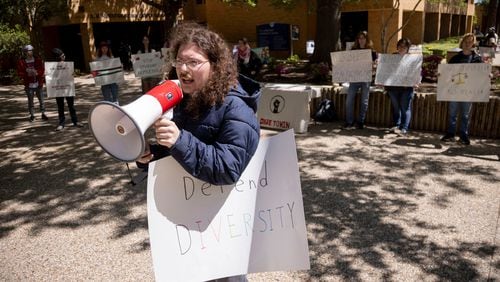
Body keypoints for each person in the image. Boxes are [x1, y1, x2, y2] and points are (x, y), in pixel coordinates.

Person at [137, 23, 261, 281]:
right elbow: (183, 152)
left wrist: (179, 140)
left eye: (193, 62)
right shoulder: (184, 99)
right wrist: (152, 155)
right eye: (180, 60)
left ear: (215, 65)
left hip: (222, 227)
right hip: (189, 223)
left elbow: (228, 168)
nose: (183, 69)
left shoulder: (237, 108)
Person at [441, 33, 483, 145]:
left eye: (470, 42)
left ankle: (464, 136)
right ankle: (450, 134)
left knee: (465, 115)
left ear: (473, 44)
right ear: (462, 42)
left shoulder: (477, 59)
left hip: (468, 92)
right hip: (455, 91)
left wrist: (489, 76)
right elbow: (448, 74)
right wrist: (441, 75)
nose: (468, 44)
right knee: (452, 113)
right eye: (466, 41)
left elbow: (482, 75)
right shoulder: (455, 58)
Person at [343, 30, 378, 129]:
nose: (361, 40)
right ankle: (349, 122)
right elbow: (348, 64)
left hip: (366, 79)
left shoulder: (372, 52)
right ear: (357, 40)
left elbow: (374, 66)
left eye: (363, 38)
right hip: (354, 78)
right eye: (360, 38)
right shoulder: (353, 50)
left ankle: (360, 122)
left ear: (367, 40)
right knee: (349, 100)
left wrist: (374, 66)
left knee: (364, 101)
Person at [385, 38, 418, 135]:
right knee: (396, 107)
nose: (401, 48)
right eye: (400, 46)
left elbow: (418, 73)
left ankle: (404, 128)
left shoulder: (413, 59)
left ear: (408, 48)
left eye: (404, 46)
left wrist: (416, 80)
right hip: (392, 88)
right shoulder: (392, 57)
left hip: (406, 88)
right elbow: (386, 71)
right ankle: (397, 125)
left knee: (405, 108)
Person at [51, 48, 83, 131]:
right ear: (58, 58)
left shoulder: (68, 65)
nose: (64, 57)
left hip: (68, 88)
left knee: (71, 106)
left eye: (64, 55)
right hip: (58, 89)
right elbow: (51, 78)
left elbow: (71, 75)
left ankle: (75, 121)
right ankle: (61, 123)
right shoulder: (52, 67)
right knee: (60, 106)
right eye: (62, 56)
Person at [17, 44, 48, 122]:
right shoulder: (22, 62)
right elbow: (20, 72)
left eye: (31, 51)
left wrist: (38, 73)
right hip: (29, 85)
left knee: (41, 100)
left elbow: (42, 69)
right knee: (30, 101)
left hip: (38, 83)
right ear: (25, 52)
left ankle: (43, 113)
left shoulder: (37, 60)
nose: (30, 52)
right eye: (28, 51)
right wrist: (26, 73)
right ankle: (32, 115)